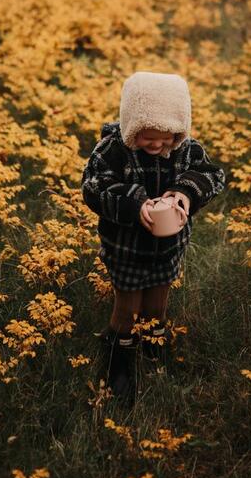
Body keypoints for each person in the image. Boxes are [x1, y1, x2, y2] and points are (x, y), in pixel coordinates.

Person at [81, 71, 226, 404]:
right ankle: (118, 360)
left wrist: (186, 193)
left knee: (157, 304)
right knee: (127, 307)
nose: (158, 145)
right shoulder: (112, 151)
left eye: (167, 137)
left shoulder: (186, 149)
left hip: (168, 249)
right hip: (126, 250)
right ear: (132, 127)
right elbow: (93, 188)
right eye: (148, 138)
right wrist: (135, 203)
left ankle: (153, 346)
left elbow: (212, 175)